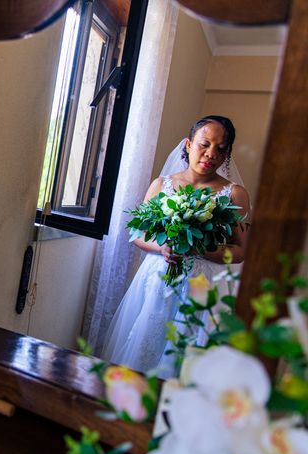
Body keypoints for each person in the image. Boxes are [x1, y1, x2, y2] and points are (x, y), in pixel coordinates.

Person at [100, 115, 251, 378]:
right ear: (188, 144)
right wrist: (162, 248)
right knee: (146, 350)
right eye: (204, 144)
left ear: (227, 154)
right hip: (160, 281)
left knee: (192, 361)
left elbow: (240, 251)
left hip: (206, 288)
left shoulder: (234, 194)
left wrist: (204, 250)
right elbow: (137, 233)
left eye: (220, 148)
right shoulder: (163, 185)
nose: (210, 153)